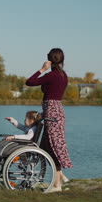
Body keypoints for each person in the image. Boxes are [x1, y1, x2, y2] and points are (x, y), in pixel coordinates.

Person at [25, 48, 72, 193]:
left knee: (53, 148)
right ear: (62, 60)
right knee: (45, 146)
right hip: (56, 112)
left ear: (49, 59)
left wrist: (42, 69)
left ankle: (57, 186)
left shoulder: (51, 75)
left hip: (52, 112)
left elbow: (30, 82)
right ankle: (61, 176)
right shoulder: (63, 75)